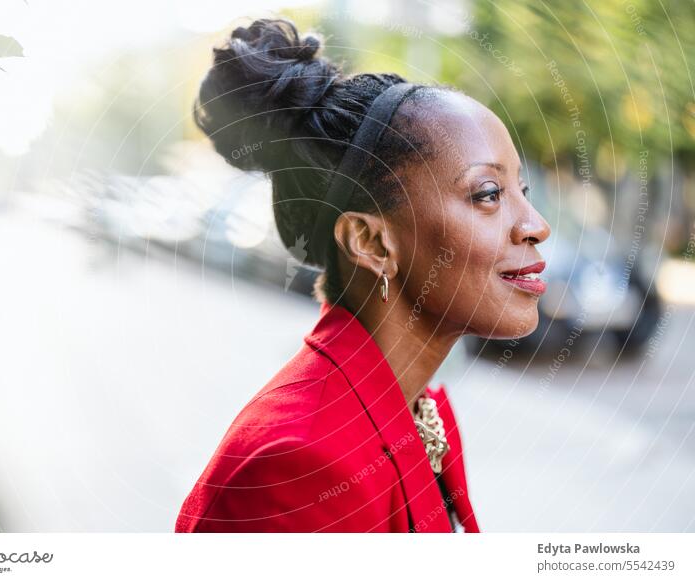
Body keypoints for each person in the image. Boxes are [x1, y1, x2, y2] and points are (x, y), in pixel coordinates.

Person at [176, 18, 550, 533]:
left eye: (521, 194)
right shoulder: (298, 467)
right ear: (371, 243)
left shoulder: (419, 409)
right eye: (488, 194)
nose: (535, 226)